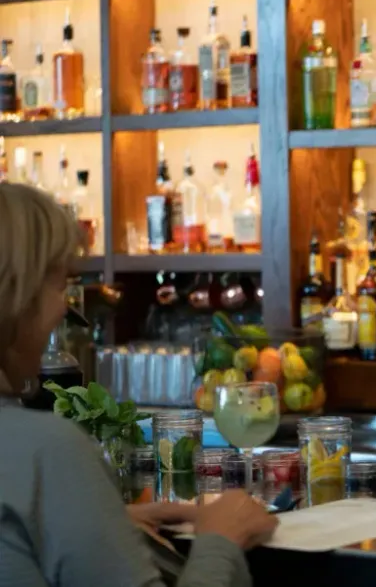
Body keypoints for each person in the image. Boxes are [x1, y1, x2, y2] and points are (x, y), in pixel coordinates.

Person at [0, 182, 278, 587]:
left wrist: (100, 521)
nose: (65, 308)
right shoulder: (47, 451)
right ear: (16, 297)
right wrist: (221, 540)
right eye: (60, 285)